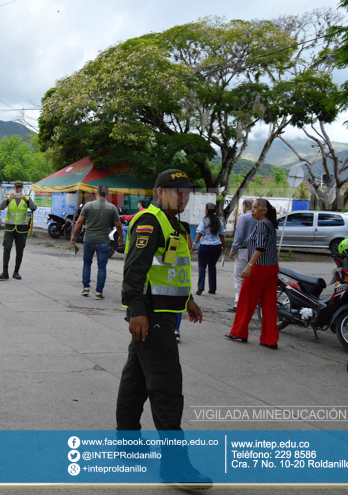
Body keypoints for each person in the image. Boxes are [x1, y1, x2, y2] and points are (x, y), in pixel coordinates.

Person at [116, 169, 210, 487]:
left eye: (187, 193)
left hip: (164, 315)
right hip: (152, 318)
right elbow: (134, 269)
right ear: (160, 193)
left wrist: (189, 301)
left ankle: (127, 444)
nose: (184, 197)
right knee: (167, 389)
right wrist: (136, 311)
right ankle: (174, 466)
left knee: (136, 381)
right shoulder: (150, 221)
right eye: (177, 192)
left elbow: (171, 272)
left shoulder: (174, 224)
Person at [226, 198, 280, 349]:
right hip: (272, 267)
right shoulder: (270, 224)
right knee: (269, 305)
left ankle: (239, 331)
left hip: (260, 267)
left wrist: (249, 266)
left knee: (246, 300)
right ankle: (270, 339)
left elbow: (260, 248)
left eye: (256, 208)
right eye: (252, 207)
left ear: (264, 211)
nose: (252, 210)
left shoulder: (262, 224)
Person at [71, 185, 124, 300]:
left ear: (96, 193)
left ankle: (86, 288)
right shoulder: (112, 207)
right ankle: (99, 292)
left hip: (89, 240)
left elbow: (80, 221)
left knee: (87, 263)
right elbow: (118, 224)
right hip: (103, 241)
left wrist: (74, 234)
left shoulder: (88, 205)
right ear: (107, 194)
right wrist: (120, 237)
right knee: (102, 267)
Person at [0, 181, 37, 280]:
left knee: (20, 251)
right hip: (9, 228)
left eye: (19, 187)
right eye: (16, 187)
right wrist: (8, 200)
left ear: (22, 188)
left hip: (22, 230)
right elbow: (1, 207)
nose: (18, 189)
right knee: (7, 248)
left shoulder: (26, 198)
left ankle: (16, 271)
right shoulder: (9, 197)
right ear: (14, 188)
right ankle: (5, 271)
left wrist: (26, 200)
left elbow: (34, 208)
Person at [229, 198, 256, 312]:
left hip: (244, 251)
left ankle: (238, 304)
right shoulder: (259, 218)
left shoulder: (244, 218)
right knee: (252, 278)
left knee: (239, 277)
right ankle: (250, 302)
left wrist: (233, 250)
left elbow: (239, 236)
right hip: (256, 252)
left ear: (245, 206)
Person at [193, 202, 226, 295]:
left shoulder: (204, 221)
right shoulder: (219, 221)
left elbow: (199, 233)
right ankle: (212, 288)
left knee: (202, 267)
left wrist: (194, 244)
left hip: (205, 247)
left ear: (207, 210)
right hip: (216, 247)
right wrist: (224, 247)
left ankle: (200, 288)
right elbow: (222, 235)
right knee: (212, 266)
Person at [174, 220, 195, 341]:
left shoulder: (162, 223)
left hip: (167, 267)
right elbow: (189, 246)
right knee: (178, 299)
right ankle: (176, 329)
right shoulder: (184, 226)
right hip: (181, 268)